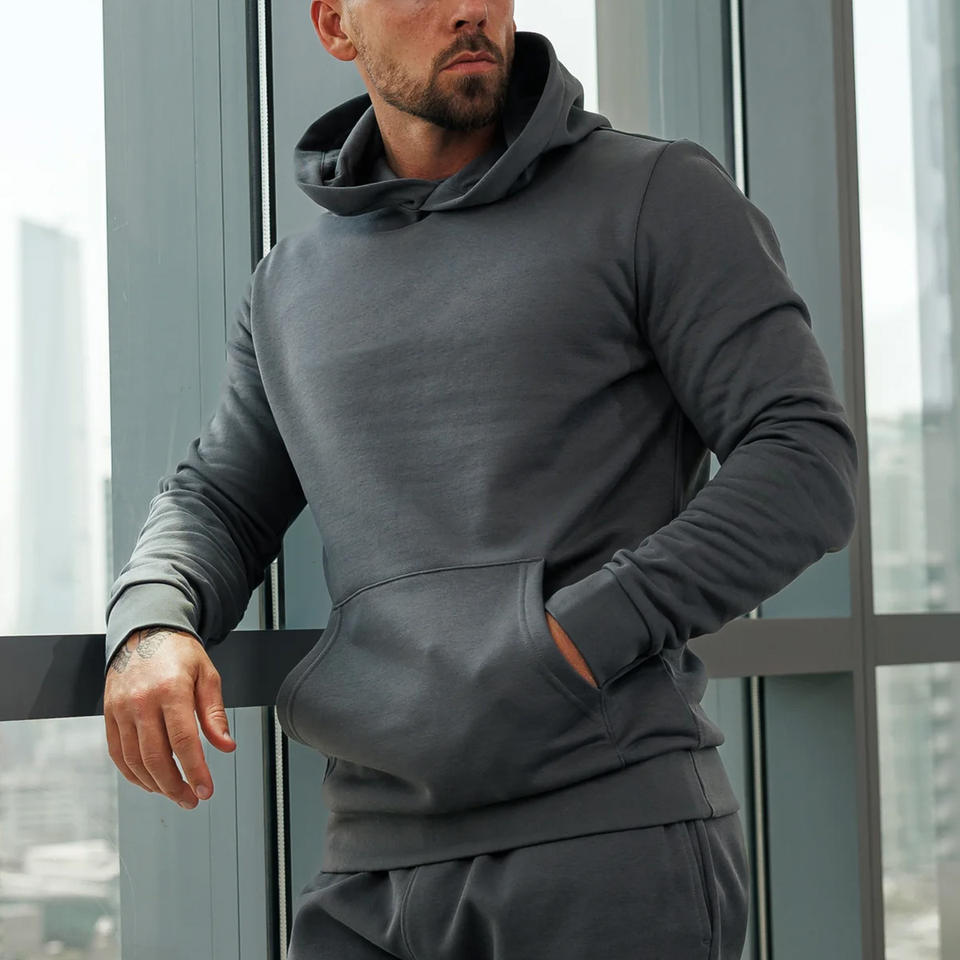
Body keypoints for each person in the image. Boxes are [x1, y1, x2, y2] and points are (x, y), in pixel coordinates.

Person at [102, 1, 859, 957]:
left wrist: (571, 641)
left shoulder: (657, 194)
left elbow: (803, 458)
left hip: (608, 842)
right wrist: (151, 624)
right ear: (336, 27)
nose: (469, 9)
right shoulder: (288, 285)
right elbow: (218, 499)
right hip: (367, 864)